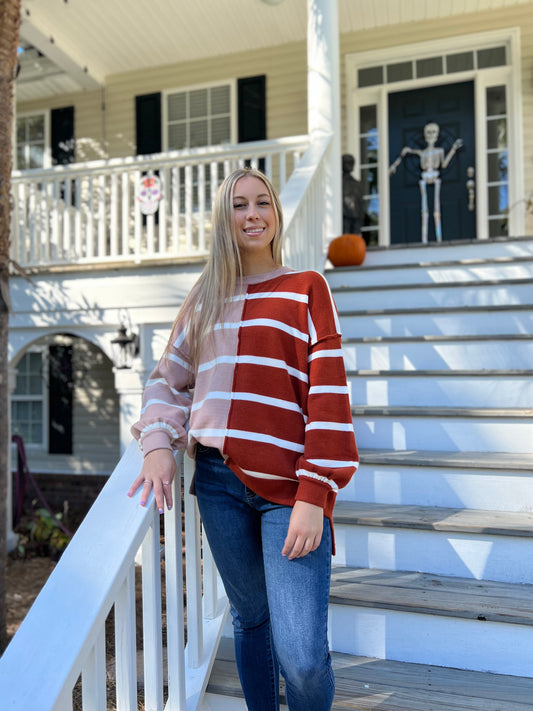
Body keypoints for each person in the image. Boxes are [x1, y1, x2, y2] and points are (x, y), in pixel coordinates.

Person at [127, 168, 359, 711]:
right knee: (251, 623)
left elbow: (328, 394)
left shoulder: (307, 289)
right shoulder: (206, 296)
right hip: (217, 481)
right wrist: (158, 441)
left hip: (290, 490)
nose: (252, 214)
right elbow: (167, 379)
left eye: (262, 203)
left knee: (301, 655)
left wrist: (314, 495)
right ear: (223, 220)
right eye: (238, 205)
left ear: (276, 216)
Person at [342, 153, 365, 235]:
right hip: (344, 216)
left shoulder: (357, 184)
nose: (350, 165)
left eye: (352, 162)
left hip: (355, 216)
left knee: (354, 238)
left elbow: (360, 202)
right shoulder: (338, 183)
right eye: (347, 162)